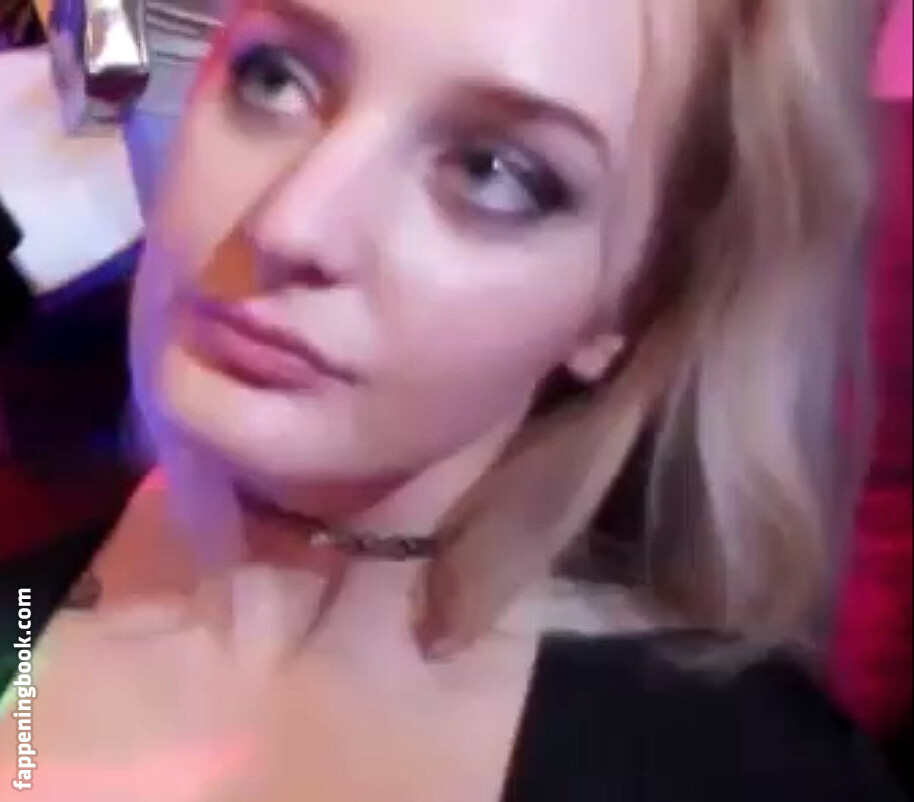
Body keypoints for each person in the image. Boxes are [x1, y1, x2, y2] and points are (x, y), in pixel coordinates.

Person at [0, 1, 905, 799]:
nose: (290, 226)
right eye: (274, 76)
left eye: (492, 172)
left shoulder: (747, 771)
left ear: (632, 302)